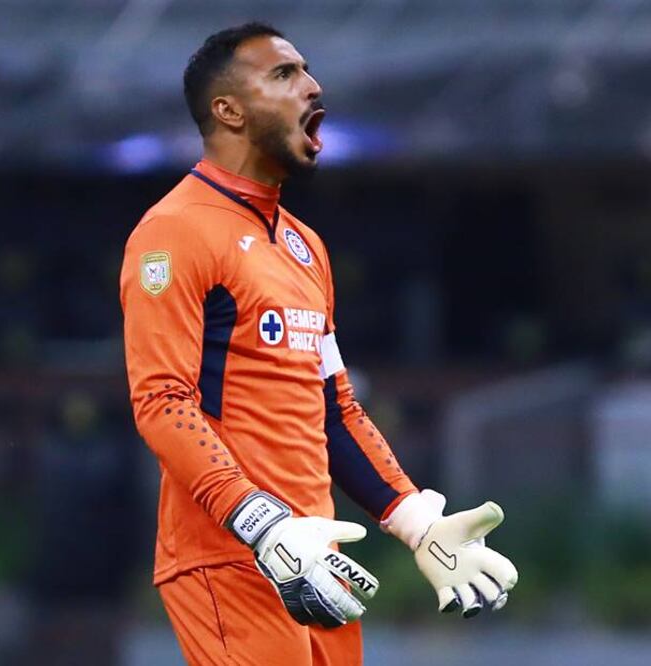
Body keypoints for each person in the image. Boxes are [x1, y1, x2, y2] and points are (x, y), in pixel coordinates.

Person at [120, 22, 518, 666]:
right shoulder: (173, 232)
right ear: (228, 110)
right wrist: (262, 523)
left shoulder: (307, 247)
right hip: (234, 557)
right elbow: (162, 403)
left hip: (317, 560)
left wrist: (416, 520)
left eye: (306, 70)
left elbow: (334, 408)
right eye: (283, 75)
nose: (312, 86)